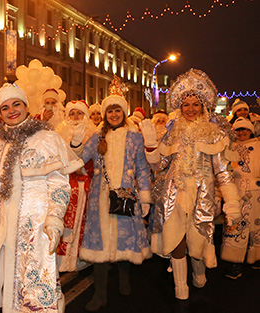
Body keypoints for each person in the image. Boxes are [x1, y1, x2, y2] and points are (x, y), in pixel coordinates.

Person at [0, 83, 82, 313]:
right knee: (0, 282)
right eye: (5, 107)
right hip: (2, 226)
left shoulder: (47, 139)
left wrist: (54, 219)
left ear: (26, 106)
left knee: (32, 289)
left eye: (16, 104)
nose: (11, 110)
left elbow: (59, 184)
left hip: (36, 226)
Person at [140, 69, 242, 303]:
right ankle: (180, 288)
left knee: (198, 243)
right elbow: (158, 166)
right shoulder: (171, 133)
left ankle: (199, 272)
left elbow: (223, 173)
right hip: (173, 196)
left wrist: (232, 204)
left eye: (195, 104)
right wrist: (150, 145)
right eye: (186, 104)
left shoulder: (214, 134)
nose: (190, 109)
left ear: (204, 106)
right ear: (180, 107)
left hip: (202, 198)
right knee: (176, 241)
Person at [79, 77, 152, 312]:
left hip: (126, 197)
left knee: (124, 242)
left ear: (124, 112)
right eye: (109, 110)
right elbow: (80, 161)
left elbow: (142, 167)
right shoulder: (96, 137)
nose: (113, 114)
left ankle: (124, 277)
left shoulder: (135, 137)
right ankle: (100, 293)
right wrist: (74, 143)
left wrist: (145, 194)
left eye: (117, 109)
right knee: (100, 245)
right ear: (105, 113)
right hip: (99, 200)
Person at [55, 100, 96, 271]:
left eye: (79, 113)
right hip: (64, 183)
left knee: (81, 221)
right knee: (62, 221)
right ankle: (61, 259)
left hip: (84, 183)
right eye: (72, 114)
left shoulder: (92, 135)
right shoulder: (59, 134)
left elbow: (94, 160)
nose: (76, 117)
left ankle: (78, 258)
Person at [222, 117, 260, 278]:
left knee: (256, 225)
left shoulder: (258, 145)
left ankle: (256, 256)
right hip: (236, 191)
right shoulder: (229, 147)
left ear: (250, 130)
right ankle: (234, 261)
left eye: (244, 129)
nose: (242, 132)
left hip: (257, 193)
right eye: (238, 130)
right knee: (236, 224)